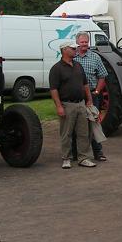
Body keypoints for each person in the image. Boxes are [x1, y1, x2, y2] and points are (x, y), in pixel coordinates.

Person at [49, 40, 96, 169]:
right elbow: (54, 89)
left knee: (83, 133)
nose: (76, 50)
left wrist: (89, 100)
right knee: (66, 133)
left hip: (81, 103)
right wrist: (59, 106)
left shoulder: (78, 66)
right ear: (64, 50)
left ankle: (83, 158)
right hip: (67, 104)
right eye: (73, 49)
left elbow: (85, 85)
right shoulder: (56, 69)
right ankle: (66, 158)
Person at [74, 31, 109, 161]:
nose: (84, 44)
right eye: (82, 42)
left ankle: (98, 152)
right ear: (77, 42)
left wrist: (97, 91)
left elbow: (102, 75)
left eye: (86, 42)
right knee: (75, 124)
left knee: (93, 123)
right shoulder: (72, 57)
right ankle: (75, 152)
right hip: (76, 96)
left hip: (92, 95)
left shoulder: (95, 57)